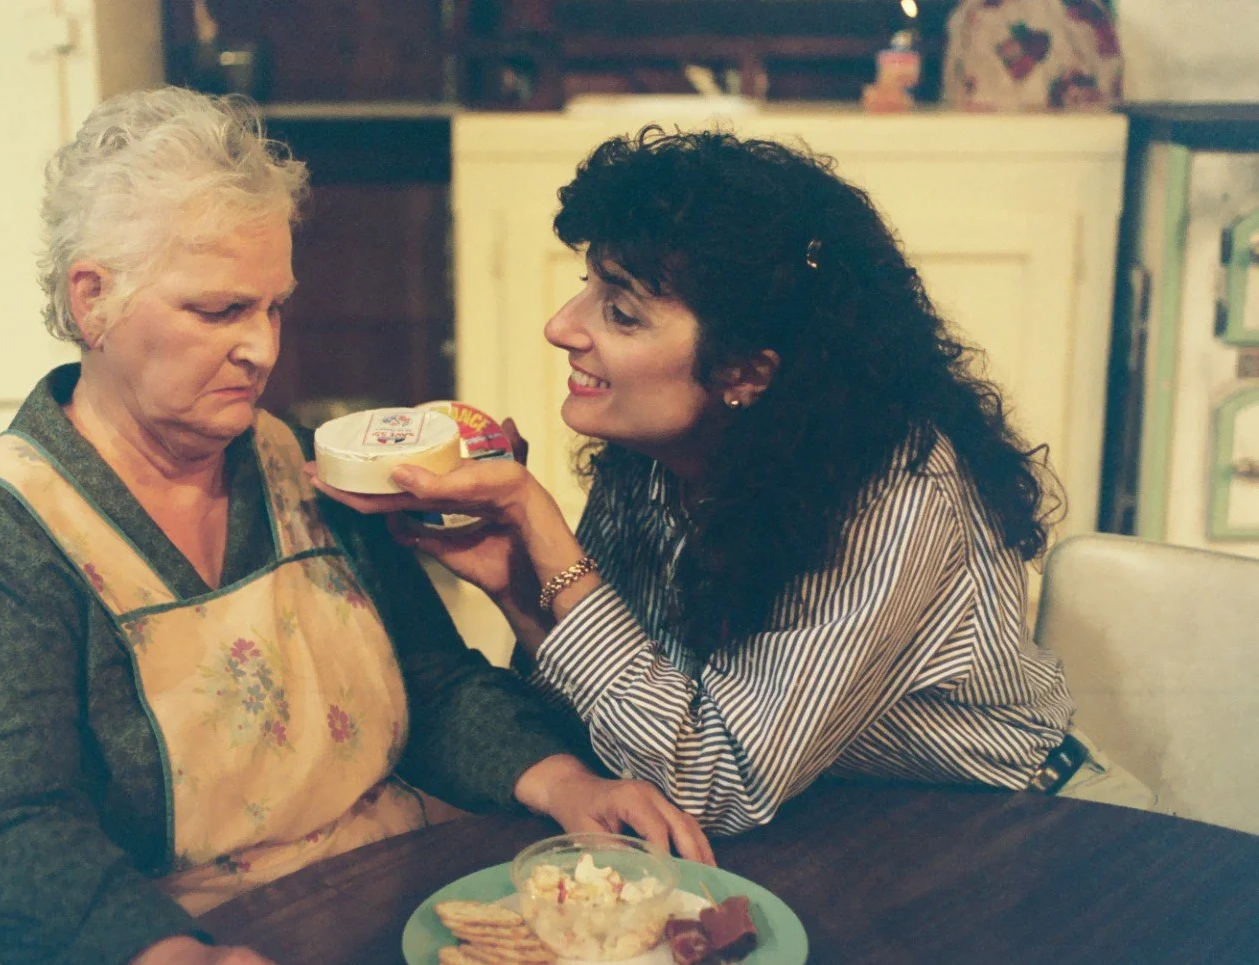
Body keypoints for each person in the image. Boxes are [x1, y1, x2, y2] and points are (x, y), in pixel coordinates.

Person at [0, 91, 711, 965]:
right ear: (94, 301)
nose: (261, 349)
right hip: (148, 952)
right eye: (219, 310)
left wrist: (561, 784)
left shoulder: (293, 460)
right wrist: (167, 963)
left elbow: (424, 680)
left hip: (373, 902)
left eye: (273, 308)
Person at [311, 126, 1156, 839]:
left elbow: (720, 777)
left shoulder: (895, 490)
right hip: (834, 825)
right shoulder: (655, 456)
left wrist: (541, 522)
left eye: (623, 310)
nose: (561, 327)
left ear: (746, 372)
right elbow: (637, 714)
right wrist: (516, 583)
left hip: (1020, 825)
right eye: (589, 285)